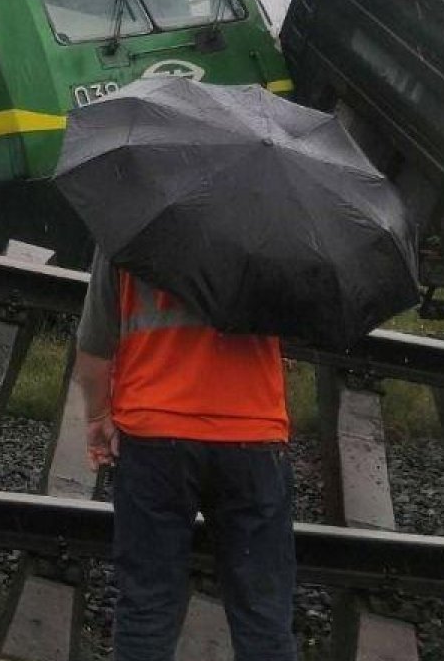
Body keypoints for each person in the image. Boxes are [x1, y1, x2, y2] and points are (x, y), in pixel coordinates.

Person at [75, 252, 296, 661]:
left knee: (147, 607)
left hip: (153, 436)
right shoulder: (273, 224)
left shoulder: (130, 219)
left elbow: (93, 347)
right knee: (264, 613)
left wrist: (98, 415)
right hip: (253, 435)